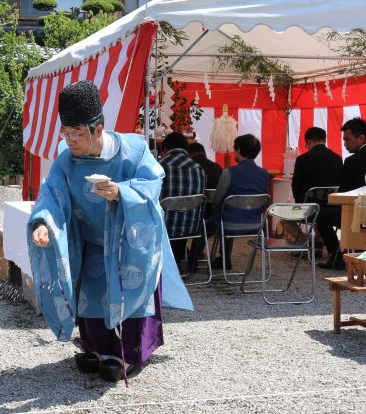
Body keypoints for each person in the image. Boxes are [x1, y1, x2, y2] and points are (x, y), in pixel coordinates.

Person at [28, 80, 192, 383]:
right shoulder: (67, 161)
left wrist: (121, 192)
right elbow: (51, 194)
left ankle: (128, 355)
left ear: (99, 128)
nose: (70, 141)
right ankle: (94, 347)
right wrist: (42, 223)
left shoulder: (133, 151)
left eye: (76, 133)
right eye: (66, 133)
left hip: (130, 241)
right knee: (91, 298)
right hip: (92, 241)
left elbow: (153, 184)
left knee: (129, 296)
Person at [207, 134, 270, 270]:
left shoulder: (228, 172)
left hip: (229, 224)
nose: (233, 152)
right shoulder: (264, 174)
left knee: (211, 221)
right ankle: (224, 258)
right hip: (256, 225)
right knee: (228, 212)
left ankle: (193, 262)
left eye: (235, 149)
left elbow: (217, 200)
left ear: (239, 150)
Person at [316, 117, 366, 270]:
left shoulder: (353, 161)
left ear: (361, 138)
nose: (344, 144)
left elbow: (344, 193)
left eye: (347, 139)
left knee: (320, 214)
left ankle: (336, 256)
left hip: (356, 212)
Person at [282, 127, 342, 245]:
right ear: (324, 140)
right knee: (319, 216)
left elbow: (296, 187)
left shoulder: (302, 159)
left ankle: (305, 242)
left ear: (308, 141)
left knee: (284, 220)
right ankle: (319, 240)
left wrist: (301, 202)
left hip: (309, 209)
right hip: (332, 209)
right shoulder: (337, 159)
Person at [159, 132, 206, 271]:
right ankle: (176, 264)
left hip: (164, 227)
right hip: (191, 227)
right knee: (180, 218)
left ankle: (164, 266)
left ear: (165, 148)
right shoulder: (199, 169)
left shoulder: (157, 167)